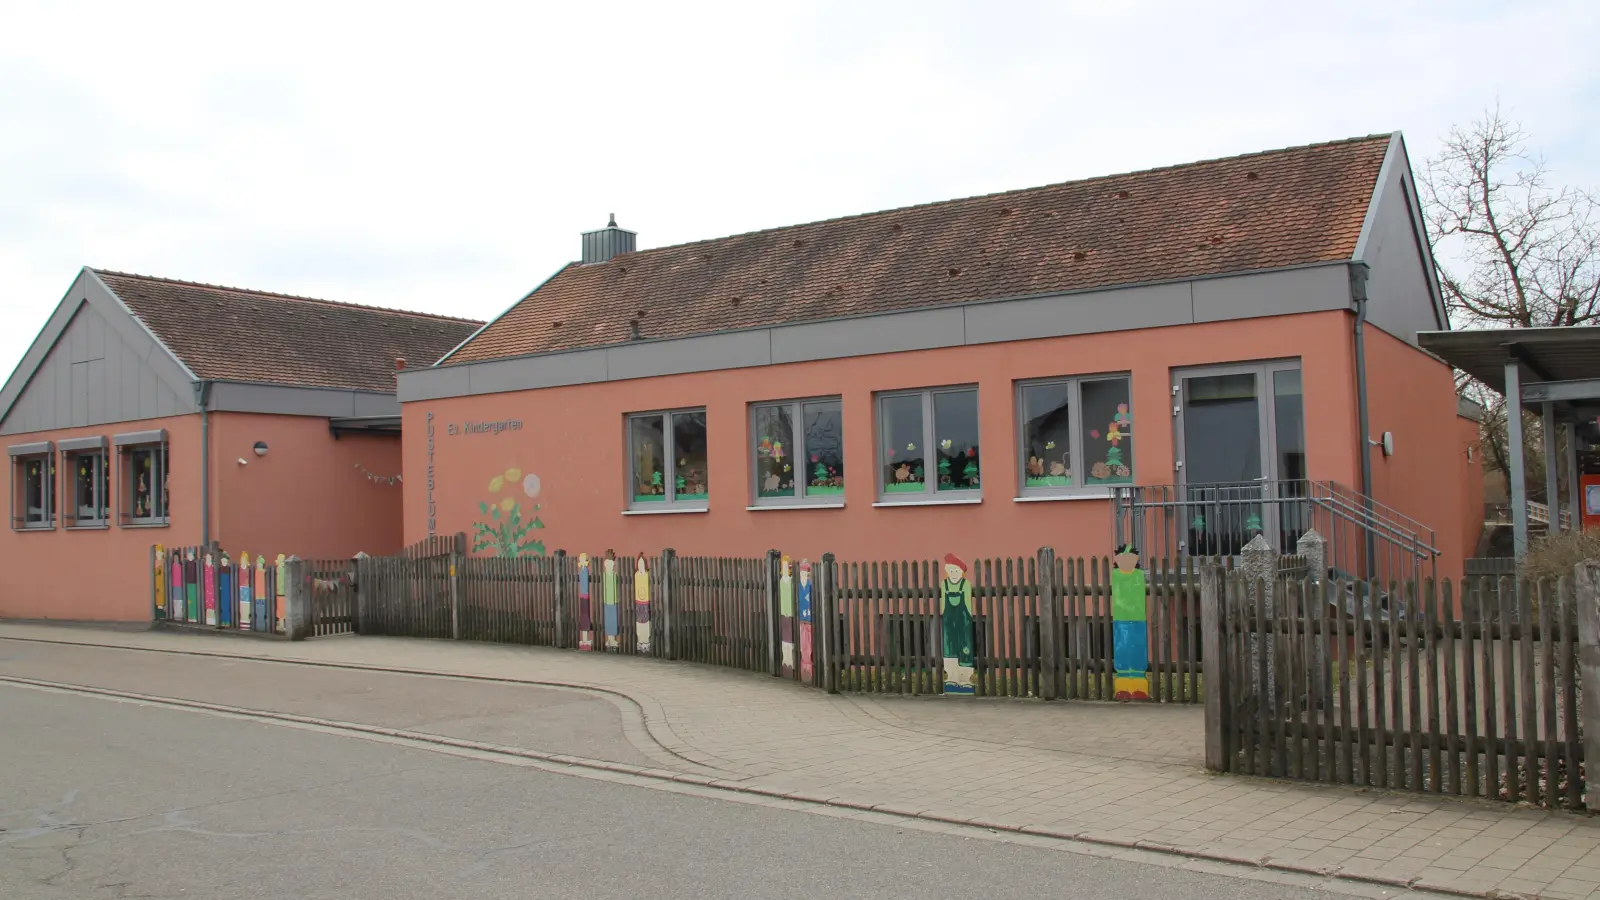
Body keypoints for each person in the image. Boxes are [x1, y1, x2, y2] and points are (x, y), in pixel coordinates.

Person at [940, 554, 975, 695]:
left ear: (962, 572)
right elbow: (943, 606)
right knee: (950, 648)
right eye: (951, 570)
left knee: (965, 647)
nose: (954, 573)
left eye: (956, 571)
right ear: (947, 571)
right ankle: (952, 679)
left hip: (963, 622)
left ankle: (966, 680)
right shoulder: (944, 584)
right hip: (949, 624)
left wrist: (968, 619)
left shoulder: (965, 585)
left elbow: (967, 604)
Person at [634, 554, 651, 655]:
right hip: (638, 602)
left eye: (642, 563)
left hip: (645, 602)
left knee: (645, 622)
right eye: (639, 563)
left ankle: (646, 642)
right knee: (639, 622)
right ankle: (640, 641)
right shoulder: (636, 575)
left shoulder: (646, 575)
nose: (641, 565)